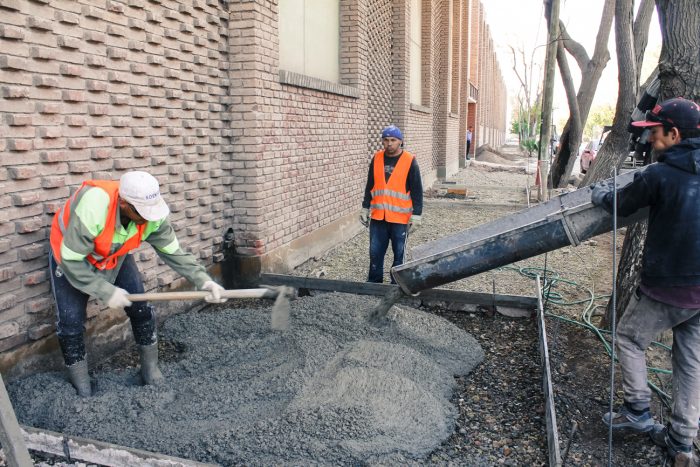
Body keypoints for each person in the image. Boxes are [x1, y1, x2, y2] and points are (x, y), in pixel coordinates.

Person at [49, 171, 227, 396]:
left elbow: (173, 252)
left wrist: (204, 281)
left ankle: (150, 372)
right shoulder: (95, 205)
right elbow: (71, 259)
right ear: (123, 203)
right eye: (142, 212)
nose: (149, 218)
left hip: (114, 254)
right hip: (71, 256)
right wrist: (105, 290)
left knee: (140, 308)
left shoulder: (153, 216)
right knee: (71, 322)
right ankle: (82, 387)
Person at [592, 97, 700, 465]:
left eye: (654, 133)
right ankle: (682, 439)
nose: (650, 140)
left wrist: (601, 193)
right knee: (689, 359)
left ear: (674, 133)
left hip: (669, 283)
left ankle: (637, 411)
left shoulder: (660, 175)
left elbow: (620, 202)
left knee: (629, 337)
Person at [359, 125, 423, 283]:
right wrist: (365, 207)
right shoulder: (377, 158)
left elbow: (417, 190)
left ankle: (397, 286)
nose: (389, 143)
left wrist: (417, 215)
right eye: (386, 140)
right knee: (375, 253)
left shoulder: (409, 160)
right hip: (379, 218)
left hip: (400, 219)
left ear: (400, 141)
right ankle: (374, 284)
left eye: (393, 140)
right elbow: (370, 185)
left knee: (399, 255)